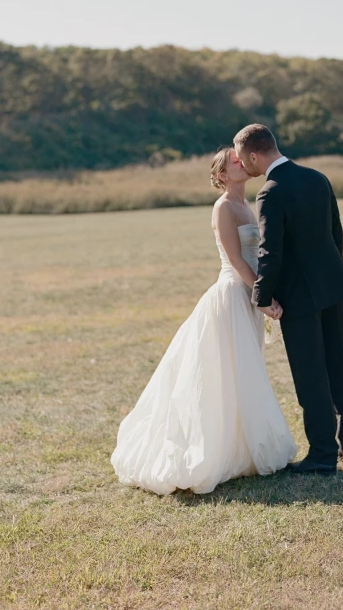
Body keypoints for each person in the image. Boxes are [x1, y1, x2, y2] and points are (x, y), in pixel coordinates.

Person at [110, 147, 297, 494]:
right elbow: (237, 261)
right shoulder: (224, 207)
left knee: (245, 370)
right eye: (234, 162)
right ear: (222, 174)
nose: (241, 162)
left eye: (242, 159)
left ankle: (243, 447)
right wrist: (263, 296)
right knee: (225, 372)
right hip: (232, 295)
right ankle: (216, 451)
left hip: (248, 295)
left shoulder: (249, 203)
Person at [233, 124, 343, 474]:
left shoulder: (271, 191)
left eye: (240, 158)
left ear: (253, 156)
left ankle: (323, 456)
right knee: (341, 364)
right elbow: (336, 232)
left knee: (311, 375)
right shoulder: (317, 177)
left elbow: (270, 253)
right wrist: (331, 274)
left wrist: (262, 296)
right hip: (332, 283)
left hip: (299, 295)